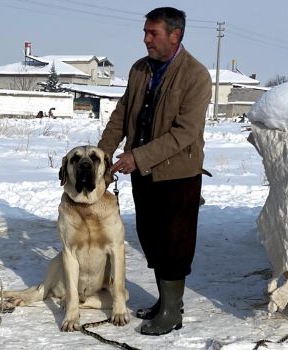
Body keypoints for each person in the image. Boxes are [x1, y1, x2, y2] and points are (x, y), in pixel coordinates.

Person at [97, 7, 211, 336]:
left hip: (178, 175)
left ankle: (172, 312)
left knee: (175, 242)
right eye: (146, 32)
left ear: (175, 36)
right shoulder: (139, 69)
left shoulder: (195, 75)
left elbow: (184, 133)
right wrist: (104, 154)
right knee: (151, 237)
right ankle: (165, 301)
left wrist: (138, 156)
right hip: (143, 172)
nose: (145, 39)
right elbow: (122, 113)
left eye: (153, 33)